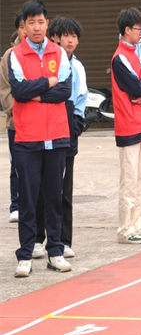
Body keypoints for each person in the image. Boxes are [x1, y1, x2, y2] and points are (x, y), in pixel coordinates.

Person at [9, 0, 73, 277]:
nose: (36, 27)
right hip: (28, 138)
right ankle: (25, 255)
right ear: (24, 26)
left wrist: (36, 94)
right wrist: (47, 82)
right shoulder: (16, 55)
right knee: (28, 199)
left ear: (47, 24)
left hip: (56, 136)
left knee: (54, 197)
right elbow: (19, 90)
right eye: (31, 22)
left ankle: (55, 251)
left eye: (41, 22)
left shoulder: (58, 53)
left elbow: (65, 91)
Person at [35, 17, 88, 260]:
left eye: (74, 36)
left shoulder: (78, 67)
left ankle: (64, 241)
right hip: (45, 128)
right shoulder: (48, 62)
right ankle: (38, 238)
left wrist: (76, 124)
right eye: (66, 35)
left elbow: (81, 99)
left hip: (68, 130)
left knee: (64, 191)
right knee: (41, 188)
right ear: (55, 37)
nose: (70, 40)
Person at [111, 7, 141, 244]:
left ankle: (137, 222)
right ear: (127, 30)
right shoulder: (120, 58)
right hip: (128, 125)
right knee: (129, 181)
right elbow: (139, 87)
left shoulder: (135, 56)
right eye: (139, 29)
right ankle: (124, 228)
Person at [0, 12, 25, 224]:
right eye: (24, 26)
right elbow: (5, 91)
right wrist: (16, 114)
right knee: (17, 165)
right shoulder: (9, 56)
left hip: (38, 124)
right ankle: (16, 205)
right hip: (15, 123)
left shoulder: (45, 53)